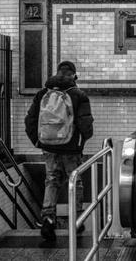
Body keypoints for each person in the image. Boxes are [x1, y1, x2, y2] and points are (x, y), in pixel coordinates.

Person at [25, 61, 93, 241]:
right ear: (74, 75)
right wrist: (81, 141)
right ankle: (77, 220)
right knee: (75, 181)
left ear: (57, 73)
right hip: (71, 147)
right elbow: (86, 124)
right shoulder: (78, 95)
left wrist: (39, 141)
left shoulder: (42, 94)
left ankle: (47, 219)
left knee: (51, 181)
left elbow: (29, 121)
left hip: (48, 147)